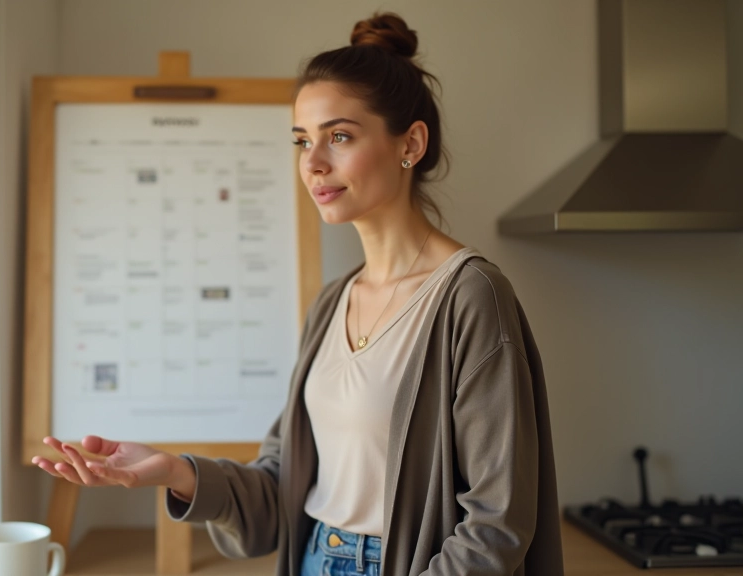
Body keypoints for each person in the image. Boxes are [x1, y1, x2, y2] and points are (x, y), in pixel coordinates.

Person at [33, 11, 564, 575]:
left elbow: (497, 522)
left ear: (410, 142)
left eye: (339, 136)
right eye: (301, 140)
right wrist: (172, 470)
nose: (312, 163)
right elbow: (282, 484)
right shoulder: (332, 303)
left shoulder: (470, 296)